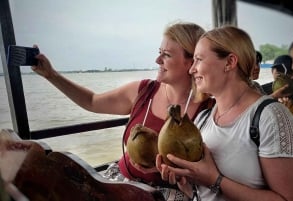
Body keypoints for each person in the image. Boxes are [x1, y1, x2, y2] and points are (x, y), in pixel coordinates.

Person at [32, 22, 215, 200]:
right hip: (121, 181)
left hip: (166, 194)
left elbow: (207, 174)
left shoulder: (208, 110)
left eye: (166, 55)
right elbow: (91, 101)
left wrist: (166, 170)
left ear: (191, 62)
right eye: (159, 53)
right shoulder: (143, 91)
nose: (157, 60)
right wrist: (51, 75)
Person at [156, 25, 293, 201]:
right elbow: (201, 194)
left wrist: (214, 180)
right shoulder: (203, 119)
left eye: (198, 60)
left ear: (230, 62)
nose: (191, 69)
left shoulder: (271, 117)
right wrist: (185, 179)